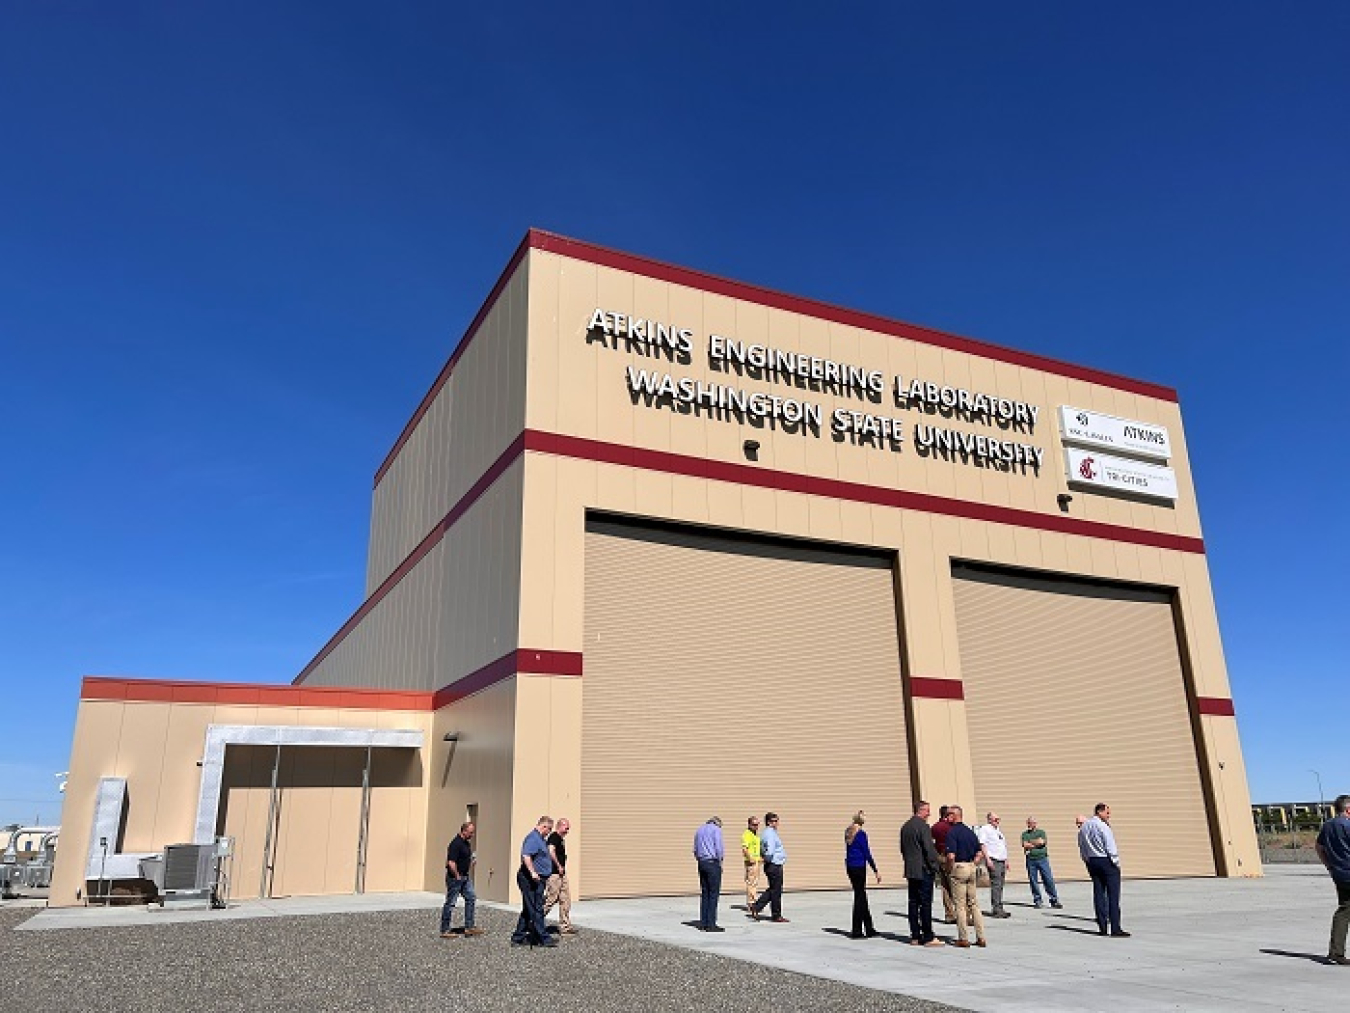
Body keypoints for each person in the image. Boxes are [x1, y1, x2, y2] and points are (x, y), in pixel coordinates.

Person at [1078, 802, 1129, 938]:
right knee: (1113, 895)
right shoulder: (1102, 826)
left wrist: (1087, 861)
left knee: (1098, 893)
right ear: (1099, 812)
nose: (1109, 816)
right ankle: (1115, 928)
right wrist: (1116, 863)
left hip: (1092, 861)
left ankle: (1102, 926)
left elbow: (1081, 847)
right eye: (1107, 813)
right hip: (1106, 860)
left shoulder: (1084, 827)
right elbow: (1110, 846)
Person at [899, 799, 944, 947]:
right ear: (921, 810)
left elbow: (903, 849)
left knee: (913, 902)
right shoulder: (923, 827)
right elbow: (929, 850)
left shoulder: (905, 827)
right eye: (927, 810)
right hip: (923, 870)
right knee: (925, 903)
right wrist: (935, 867)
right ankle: (928, 935)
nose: (929, 813)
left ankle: (915, 936)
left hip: (911, 870)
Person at [944, 805, 987, 948]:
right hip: (971, 867)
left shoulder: (952, 833)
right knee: (974, 903)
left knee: (960, 905)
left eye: (949, 815)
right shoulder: (970, 832)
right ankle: (981, 937)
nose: (946, 817)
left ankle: (963, 938)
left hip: (959, 867)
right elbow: (979, 852)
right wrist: (974, 863)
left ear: (955, 816)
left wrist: (949, 868)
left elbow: (950, 855)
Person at [1315, 793, 1350, 966]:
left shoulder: (1327, 826)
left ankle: (1336, 951)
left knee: (1344, 910)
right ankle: (1336, 952)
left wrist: (1329, 866)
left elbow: (1319, 847)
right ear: (1348, 809)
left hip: (1339, 874)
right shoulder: (1348, 825)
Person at [511, 816, 557, 947]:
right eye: (548, 830)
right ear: (544, 827)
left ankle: (518, 937)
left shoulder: (540, 839)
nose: (549, 833)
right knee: (536, 909)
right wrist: (532, 872)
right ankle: (543, 938)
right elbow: (526, 855)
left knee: (528, 908)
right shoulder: (533, 838)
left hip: (538, 879)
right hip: (529, 879)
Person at [439, 820, 483, 937]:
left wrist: (470, 863)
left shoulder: (466, 843)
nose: (472, 835)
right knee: (451, 902)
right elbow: (451, 862)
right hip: (455, 878)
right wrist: (457, 875)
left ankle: (469, 926)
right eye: (470, 833)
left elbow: (465, 858)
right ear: (464, 831)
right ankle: (445, 929)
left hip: (465, 877)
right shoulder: (455, 844)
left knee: (471, 898)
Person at [844, 810, 881, 938]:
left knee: (861, 895)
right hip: (859, 866)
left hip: (850, 866)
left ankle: (869, 927)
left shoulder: (848, 832)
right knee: (859, 897)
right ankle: (856, 929)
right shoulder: (861, 834)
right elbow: (866, 852)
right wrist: (875, 869)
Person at [750, 812, 788, 922]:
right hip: (774, 864)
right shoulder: (770, 834)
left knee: (773, 889)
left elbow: (762, 848)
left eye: (777, 821)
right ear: (768, 822)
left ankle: (757, 907)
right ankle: (776, 915)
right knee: (776, 891)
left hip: (771, 864)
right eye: (773, 821)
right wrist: (767, 858)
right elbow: (770, 851)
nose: (776, 823)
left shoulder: (765, 833)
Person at [1021, 816, 1062, 909]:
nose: (1031, 824)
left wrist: (1031, 843)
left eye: (1033, 823)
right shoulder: (1025, 834)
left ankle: (1054, 900)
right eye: (1029, 823)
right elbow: (1024, 844)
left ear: (1036, 823)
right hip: (1031, 860)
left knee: (1048, 879)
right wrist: (1035, 843)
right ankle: (1037, 900)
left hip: (1042, 859)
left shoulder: (1041, 832)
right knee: (1033, 881)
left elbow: (1042, 842)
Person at [543, 817, 575, 935]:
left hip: (562, 874)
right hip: (554, 874)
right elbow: (551, 851)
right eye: (566, 828)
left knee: (565, 899)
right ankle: (535, 921)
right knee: (551, 899)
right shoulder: (554, 837)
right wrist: (558, 865)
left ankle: (565, 926)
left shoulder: (561, 839)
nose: (567, 831)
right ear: (560, 826)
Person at [693, 816, 725, 932]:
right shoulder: (716, 830)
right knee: (713, 894)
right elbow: (719, 848)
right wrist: (720, 861)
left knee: (705, 893)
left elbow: (695, 850)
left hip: (702, 863)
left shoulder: (699, 830)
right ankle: (711, 924)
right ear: (718, 823)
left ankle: (703, 923)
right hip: (712, 863)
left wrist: (700, 859)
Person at [976, 812, 1010, 918]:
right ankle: (996, 909)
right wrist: (988, 859)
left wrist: (1006, 860)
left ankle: (1000, 906)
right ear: (989, 820)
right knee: (996, 884)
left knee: (1000, 885)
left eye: (998, 819)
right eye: (995, 819)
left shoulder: (998, 831)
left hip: (1001, 860)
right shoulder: (985, 829)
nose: (997, 821)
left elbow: (1002, 846)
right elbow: (982, 844)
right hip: (993, 860)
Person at [931, 805, 957, 923]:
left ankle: (949, 914)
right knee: (956, 885)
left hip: (940, 856)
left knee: (945, 886)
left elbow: (932, 841)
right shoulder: (950, 828)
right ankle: (961, 914)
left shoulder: (935, 827)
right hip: (950, 856)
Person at [742, 815, 762, 908]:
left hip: (757, 861)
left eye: (757, 824)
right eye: (754, 824)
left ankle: (753, 901)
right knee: (751, 883)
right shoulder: (747, 834)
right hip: (751, 862)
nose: (756, 826)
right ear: (749, 824)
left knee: (755, 882)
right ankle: (751, 903)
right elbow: (745, 848)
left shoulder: (755, 834)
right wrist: (750, 858)